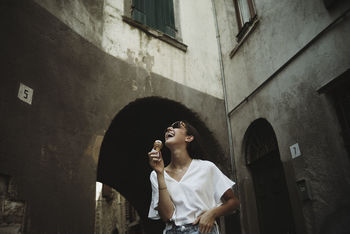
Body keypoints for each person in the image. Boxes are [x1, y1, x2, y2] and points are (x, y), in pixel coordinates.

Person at [148, 120, 240, 234]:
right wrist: (160, 173)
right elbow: (167, 215)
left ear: (189, 138)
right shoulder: (156, 175)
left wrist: (212, 213)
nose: (168, 129)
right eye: (168, 128)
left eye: (176, 126)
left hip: (203, 230)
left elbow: (233, 202)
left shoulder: (207, 168)